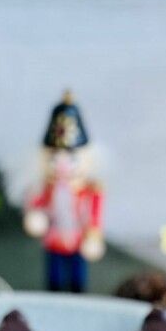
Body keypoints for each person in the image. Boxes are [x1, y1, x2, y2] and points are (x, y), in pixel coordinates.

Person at [23, 92, 105, 292]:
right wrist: (36, 216)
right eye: (55, 158)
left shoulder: (89, 189)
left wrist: (94, 235)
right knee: (55, 277)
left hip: (77, 239)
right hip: (54, 239)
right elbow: (38, 204)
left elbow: (94, 215)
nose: (62, 165)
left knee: (77, 278)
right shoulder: (45, 186)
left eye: (70, 158)